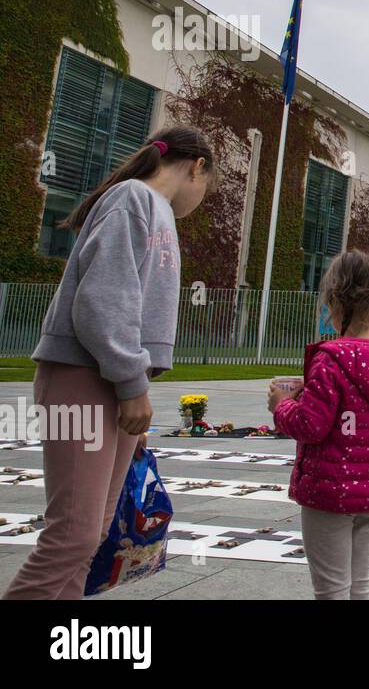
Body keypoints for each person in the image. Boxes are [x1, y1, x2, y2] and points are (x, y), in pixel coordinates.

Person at [3, 127, 214, 600]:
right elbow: (102, 301)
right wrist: (130, 384)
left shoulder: (152, 209)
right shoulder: (132, 199)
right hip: (84, 376)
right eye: (208, 185)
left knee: (90, 535)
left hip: (110, 380)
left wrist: (131, 389)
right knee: (72, 535)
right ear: (197, 166)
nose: (202, 196)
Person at [268, 250, 369, 600]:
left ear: (337, 300)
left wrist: (283, 406)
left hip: (330, 491)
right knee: (359, 586)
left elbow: (310, 426)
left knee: (331, 590)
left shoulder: (333, 360)